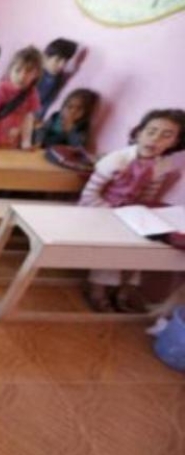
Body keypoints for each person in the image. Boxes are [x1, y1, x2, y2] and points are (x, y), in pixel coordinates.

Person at [79, 109, 185, 312]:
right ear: (139, 133)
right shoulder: (117, 160)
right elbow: (89, 196)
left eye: (167, 135)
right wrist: (115, 214)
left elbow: (147, 197)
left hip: (127, 213)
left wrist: (137, 215)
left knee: (145, 242)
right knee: (115, 244)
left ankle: (124, 289)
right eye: (151, 131)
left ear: (175, 142)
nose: (155, 139)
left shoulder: (162, 165)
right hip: (97, 210)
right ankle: (97, 289)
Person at [35, 88, 99, 148]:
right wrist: (39, 141)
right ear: (63, 106)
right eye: (70, 107)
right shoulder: (56, 117)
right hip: (43, 147)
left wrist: (70, 129)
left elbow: (78, 146)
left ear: (86, 113)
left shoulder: (82, 126)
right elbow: (43, 130)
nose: (73, 111)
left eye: (79, 109)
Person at [37, 38, 79, 119]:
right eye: (58, 60)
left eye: (65, 61)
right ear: (45, 57)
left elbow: (47, 103)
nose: (62, 65)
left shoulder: (58, 79)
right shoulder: (34, 72)